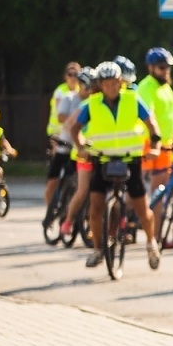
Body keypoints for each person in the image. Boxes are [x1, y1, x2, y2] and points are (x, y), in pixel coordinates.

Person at [68, 61, 161, 271]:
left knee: (142, 207)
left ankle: (151, 244)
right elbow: (75, 129)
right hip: (102, 159)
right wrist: (81, 146)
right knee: (96, 208)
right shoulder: (92, 103)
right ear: (100, 84)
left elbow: (151, 124)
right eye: (106, 83)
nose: (111, 87)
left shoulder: (132, 99)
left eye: (114, 82)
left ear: (121, 82)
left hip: (131, 159)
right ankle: (98, 249)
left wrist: (154, 146)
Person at [59, 68, 99, 241]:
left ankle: (93, 224)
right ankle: (68, 221)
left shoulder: (106, 104)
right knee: (83, 191)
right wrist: (81, 144)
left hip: (102, 153)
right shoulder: (85, 106)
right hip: (84, 154)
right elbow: (69, 126)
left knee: (98, 193)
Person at [137, 48, 173, 200]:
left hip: (166, 145)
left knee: (158, 195)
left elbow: (171, 116)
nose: (166, 71)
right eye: (162, 67)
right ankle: (128, 220)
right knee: (138, 193)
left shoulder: (166, 87)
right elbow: (149, 115)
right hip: (149, 144)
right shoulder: (147, 87)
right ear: (150, 68)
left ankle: (153, 224)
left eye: (168, 67)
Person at [45, 64, 84, 213]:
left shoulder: (84, 94)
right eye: (70, 74)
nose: (73, 77)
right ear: (65, 76)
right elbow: (61, 115)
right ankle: (50, 210)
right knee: (55, 172)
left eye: (76, 75)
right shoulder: (61, 92)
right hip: (57, 134)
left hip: (75, 137)